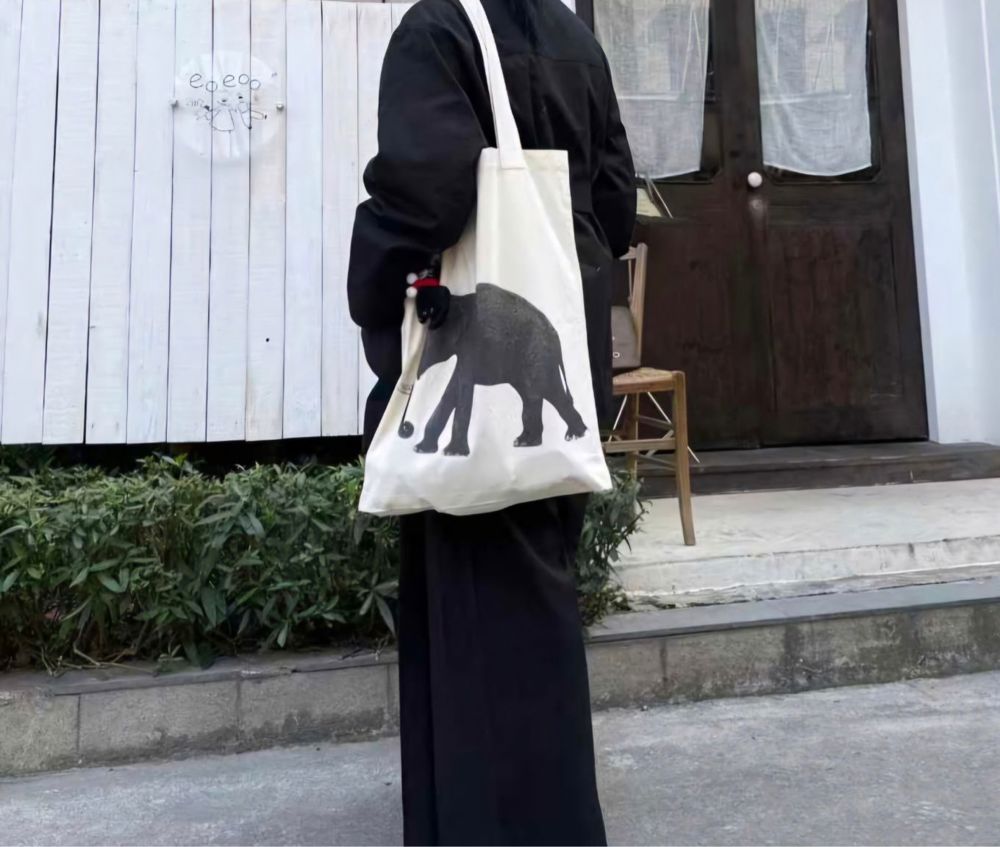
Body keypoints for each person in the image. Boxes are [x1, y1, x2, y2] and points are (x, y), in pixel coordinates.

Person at [347, 0, 635, 843]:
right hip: (560, 363)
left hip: (479, 369)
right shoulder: (575, 37)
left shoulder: (438, 32)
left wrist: (370, 287)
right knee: (537, 618)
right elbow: (615, 202)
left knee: (471, 632)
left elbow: (423, 196)